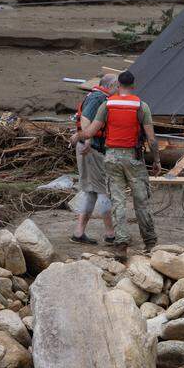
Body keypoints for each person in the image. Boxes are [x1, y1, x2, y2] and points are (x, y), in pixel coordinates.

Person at [76, 71, 160, 253]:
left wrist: (78, 136)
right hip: (134, 159)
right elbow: (152, 139)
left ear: (118, 85)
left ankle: (121, 243)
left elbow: (90, 131)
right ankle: (150, 242)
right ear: (133, 85)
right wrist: (156, 160)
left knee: (118, 201)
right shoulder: (141, 106)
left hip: (111, 158)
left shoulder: (107, 105)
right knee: (141, 201)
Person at [68, 73, 118, 244]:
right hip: (92, 149)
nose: (119, 90)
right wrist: (88, 139)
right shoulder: (98, 98)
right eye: (117, 87)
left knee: (90, 192)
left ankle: (79, 233)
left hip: (88, 148)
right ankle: (111, 234)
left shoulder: (96, 96)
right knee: (103, 191)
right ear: (111, 86)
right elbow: (85, 118)